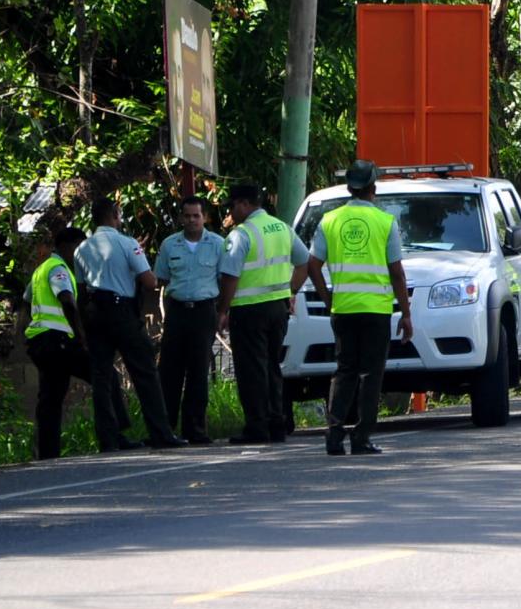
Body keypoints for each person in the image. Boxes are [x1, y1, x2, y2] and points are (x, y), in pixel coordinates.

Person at [305, 160, 412, 456]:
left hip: (343, 309)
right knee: (370, 374)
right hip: (376, 310)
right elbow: (397, 273)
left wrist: (327, 298)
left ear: (349, 187)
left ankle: (334, 435)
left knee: (344, 371)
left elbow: (313, 265)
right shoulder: (385, 222)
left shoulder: (329, 221)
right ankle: (362, 437)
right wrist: (406, 313)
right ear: (373, 188)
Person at [76, 196, 184, 450]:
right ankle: (161, 433)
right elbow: (150, 282)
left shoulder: (82, 248)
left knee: (101, 377)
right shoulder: (126, 243)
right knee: (145, 371)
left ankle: (109, 438)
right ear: (115, 215)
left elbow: (81, 291)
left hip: (94, 313)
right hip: (121, 311)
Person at [216, 182, 309, 444]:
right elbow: (304, 263)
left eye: (233, 207)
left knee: (251, 370)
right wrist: (290, 292)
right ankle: (276, 424)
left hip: (249, 310)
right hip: (278, 308)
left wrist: (222, 309)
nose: (231, 213)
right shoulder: (282, 228)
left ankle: (257, 427)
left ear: (245, 204)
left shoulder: (241, 234)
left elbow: (230, 277)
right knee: (271, 366)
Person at [153, 195, 227, 444]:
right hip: (177, 311)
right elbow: (160, 279)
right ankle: (165, 429)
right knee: (169, 371)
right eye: (187, 216)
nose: (192, 220)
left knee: (198, 371)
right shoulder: (169, 245)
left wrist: (222, 312)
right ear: (180, 217)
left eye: (197, 215)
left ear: (204, 217)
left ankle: (195, 429)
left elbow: (224, 281)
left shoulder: (217, 244)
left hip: (204, 311)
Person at [22, 225, 90, 460]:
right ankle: (114, 435)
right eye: (80, 248)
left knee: (50, 397)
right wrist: (81, 336)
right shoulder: (59, 269)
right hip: (59, 340)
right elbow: (67, 302)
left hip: (42, 341)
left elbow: (26, 300)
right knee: (103, 376)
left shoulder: (41, 269)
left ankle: (48, 453)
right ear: (67, 246)